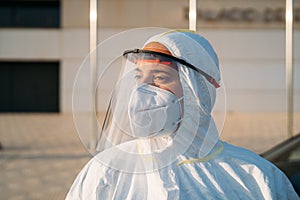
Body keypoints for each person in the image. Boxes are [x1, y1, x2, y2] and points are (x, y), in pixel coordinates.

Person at [66, 30, 299, 199]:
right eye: (139, 77)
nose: (143, 92)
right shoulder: (107, 170)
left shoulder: (255, 177)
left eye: (160, 77)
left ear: (199, 90)